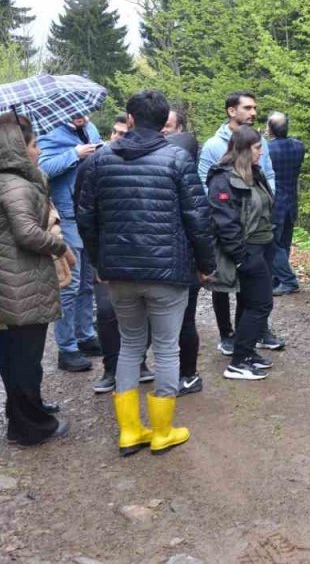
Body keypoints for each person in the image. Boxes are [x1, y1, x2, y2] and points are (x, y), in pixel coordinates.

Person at [76, 90, 216, 455]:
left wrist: (98, 262)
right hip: (167, 272)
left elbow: (85, 218)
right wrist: (206, 265)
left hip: (118, 272)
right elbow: (197, 218)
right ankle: (162, 430)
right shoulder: (178, 159)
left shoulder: (97, 161)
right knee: (167, 348)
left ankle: (129, 430)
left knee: (130, 345)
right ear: (164, 120)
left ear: (131, 119)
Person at [0, 113, 73, 446]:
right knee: (25, 357)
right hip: (20, 282)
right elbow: (28, 233)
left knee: (15, 351)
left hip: (5, 280)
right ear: (18, 149)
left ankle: (22, 412)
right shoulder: (14, 185)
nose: (37, 151)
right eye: (33, 145)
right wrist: (60, 245)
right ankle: (31, 426)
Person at [199, 91, 283, 355]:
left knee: (255, 286)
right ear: (231, 111)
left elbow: (267, 173)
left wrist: (267, 204)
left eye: (255, 107)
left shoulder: (261, 142)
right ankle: (227, 334)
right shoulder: (214, 145)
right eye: (247, 108)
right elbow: (204, 183)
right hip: (230, 226)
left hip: (259, 227)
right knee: (224, 283)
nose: (253, 112)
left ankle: (255, 331)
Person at [84, 125, 155, 395]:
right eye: (115, 131)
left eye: (124, 131)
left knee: (145, 307)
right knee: (105, 311)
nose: (119, 135)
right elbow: (85, 214)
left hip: (142, 250)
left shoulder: (149, 161)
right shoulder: (95, 164)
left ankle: (139, 361)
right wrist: (95, 256)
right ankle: (111, 368)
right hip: (107, 253)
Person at [207, 126, 278, 382]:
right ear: (245, 149)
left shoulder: (254, 173)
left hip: (263, 245)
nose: (262, 152)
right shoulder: (222, 178)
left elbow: (265, 206)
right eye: (258, 148)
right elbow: (224, 221)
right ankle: (237, 362)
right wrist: (240, 255)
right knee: (261, 303)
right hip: (247, 250)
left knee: (250, 302)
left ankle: (246, 353)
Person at [37, 111, 102, 373]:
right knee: (70, 284)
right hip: (68, 216)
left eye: (84, 113)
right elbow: (41, 170)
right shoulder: (50, 133)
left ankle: (85, 334)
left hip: (92, 214)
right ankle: (67, 347)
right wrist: (74, 154)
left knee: (88, 281)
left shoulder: (92, 130)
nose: (80, 117)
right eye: (74, 114)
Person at [163, 107, 205, 395]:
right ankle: (185, 376)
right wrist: (207, 263)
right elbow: (200, 224)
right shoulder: (190, 181)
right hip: (183, 260)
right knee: (184, 320)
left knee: (155, 326)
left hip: (151, 261)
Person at [266, 112, 306, 296]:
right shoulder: (299, 147)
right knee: (284, 243)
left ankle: (288, 280)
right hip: (291, 201)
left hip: (275, 203)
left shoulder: (267, 149)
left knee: (273, 244)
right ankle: (279, 278)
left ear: (270, 128)